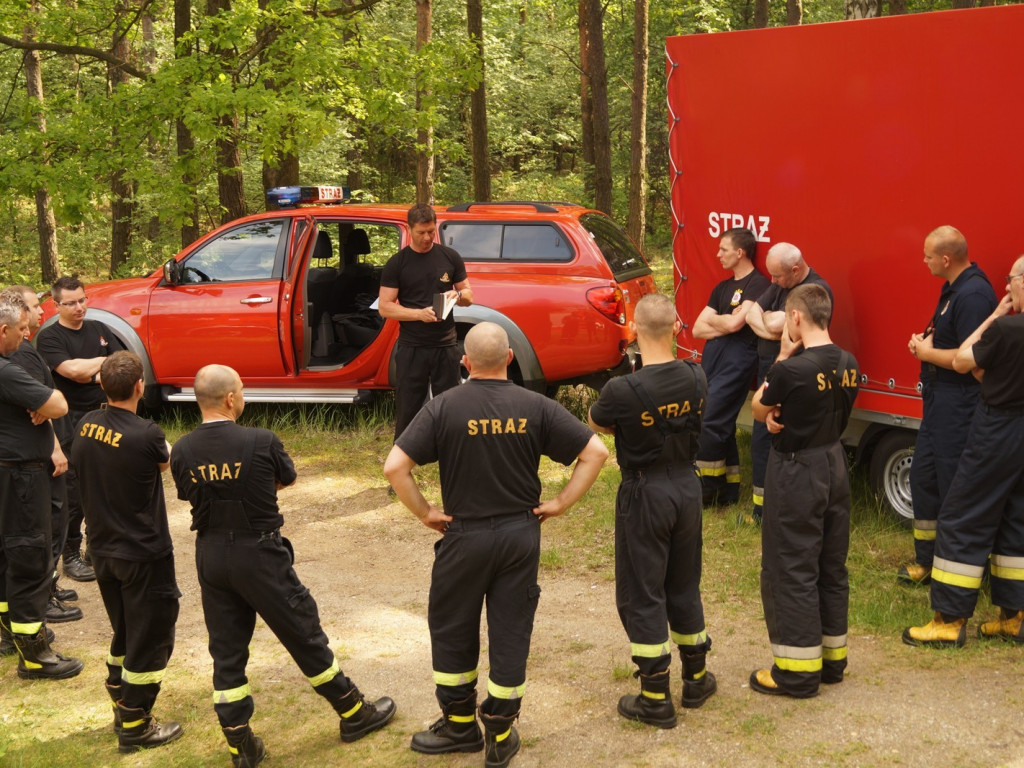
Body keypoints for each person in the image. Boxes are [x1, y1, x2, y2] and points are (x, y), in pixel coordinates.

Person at [384, 322, 607, 768]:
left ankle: (459, 726)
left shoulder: (443, 407)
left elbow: (395, 467)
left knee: (452, 626)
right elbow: (596, 452)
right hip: (519, 535)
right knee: (510, 630)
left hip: (463, 536)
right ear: (509, 358)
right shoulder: (536, 406)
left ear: (464, 362)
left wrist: (426, 513)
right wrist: (561, 502)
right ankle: (501, 734)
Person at [171, 364, 395, 766]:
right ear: (230, 399)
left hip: (211, 555)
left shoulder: (183, 450)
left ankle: (240, 744)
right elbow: (286, 478)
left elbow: (191, 494)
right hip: (259, 554)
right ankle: (352, 711)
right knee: (302, 632)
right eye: (242, 390)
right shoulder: (261, 440)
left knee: (226, 650)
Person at [587, 294, 716, 729]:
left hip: (646, 492)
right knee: (684, 583)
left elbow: (597, 421)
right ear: (677, 328)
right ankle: (696, 679)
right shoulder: (697, 376)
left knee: (643, 592)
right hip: (687, 488)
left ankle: (655, 698)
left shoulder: (621, 390)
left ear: (634, 331)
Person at [903, 255, 1024, 647]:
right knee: (1016, 517)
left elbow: (961, 359)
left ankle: (949, 620)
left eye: (1011, 280)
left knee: (961, 516)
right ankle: (1015, 616)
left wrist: (995, 316)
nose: (1006, 287)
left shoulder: (1007, 329)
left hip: (999, 427)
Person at [749, 284, 859, 698]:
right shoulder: (849, 362)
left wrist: (781, 355)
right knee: (831, 564)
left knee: (790, 566)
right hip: (834, 464)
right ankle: (831, 662)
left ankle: (796, 672)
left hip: (798, 470)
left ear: (795, 318)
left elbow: (759, 408)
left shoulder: (789, 370)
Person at [70, 351, 183, 753]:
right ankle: (135, 724)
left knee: (126, 631)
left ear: (101, 384)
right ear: (139, 386)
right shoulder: (147, 433)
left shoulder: (85, 424)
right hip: (143, 555)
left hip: (101, 551)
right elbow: (167, 462)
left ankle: (121, 699)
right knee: (151, 637)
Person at [898, 226, 997, 586]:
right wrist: (926, 340)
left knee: (954, 485)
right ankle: (927, 561)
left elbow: (969, 358)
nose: (923, 261)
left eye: (927, 256)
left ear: (946, 258)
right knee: (924, 478)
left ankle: (961, 568)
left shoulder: (974, 295)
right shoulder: (954, 289)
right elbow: (951, 336)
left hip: (959, 403)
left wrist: (926, 354)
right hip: (939, 402)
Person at [0, 290, 82, 680]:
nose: (25, 334)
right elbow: (58, 405)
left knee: (5, 557)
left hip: (8, 474)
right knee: (30, 558)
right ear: (3, 330)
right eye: (20, 329)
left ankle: (9, 635)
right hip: (19, 477)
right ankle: (35, 655)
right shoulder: (6, 371)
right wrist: (43, 400)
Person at [36, 275, 126, 582]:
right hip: (70, 419)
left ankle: (96, 548)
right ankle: (70, 553)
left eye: (82, 300)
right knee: (73, 491)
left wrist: (93, 369)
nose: (79, 307)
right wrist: (103, 365)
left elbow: (125, 362)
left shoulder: (100, 328)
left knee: (106, 484)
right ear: (56, 304)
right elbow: (71, 370)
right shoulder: (50, 337)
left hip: (104, 414)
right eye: (71, 303)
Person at [745, 244, 833, 525]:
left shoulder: (815, 290)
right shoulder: (781, 284)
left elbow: (777, 326)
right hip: (771, 370)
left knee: (783, 441)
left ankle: (780, 509)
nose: (772, 281)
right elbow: (751, 313)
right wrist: (767, 325)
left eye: (777, 276)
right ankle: (761, 509)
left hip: (793, 377)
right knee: (761, 437)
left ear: (795, 270)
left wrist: (768, 323)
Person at [378, 203, 474, 443]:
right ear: (410, 229)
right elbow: (385, 307)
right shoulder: (397, 263)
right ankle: (404, 459)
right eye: (421, 232)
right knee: (408, 410)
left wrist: (457, 295)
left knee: (450, 408)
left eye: (431, 231)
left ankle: (451, 455)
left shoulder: (450, 257)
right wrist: (419, 314)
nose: (427, 237)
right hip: (412, 348)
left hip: (446, 346)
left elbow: (469, 295)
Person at [692, 227, 770, 508]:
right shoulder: (722, 288)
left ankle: (707, 490)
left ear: (740, 252)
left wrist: (722, 321)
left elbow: (738, 324)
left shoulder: (758, 284)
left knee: (711, 419)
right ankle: (728, 487)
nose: (718, 254)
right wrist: (726, 320)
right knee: (717, 420)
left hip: (738, 361)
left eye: (723, 249)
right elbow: (698, 328)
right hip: (713, 359)